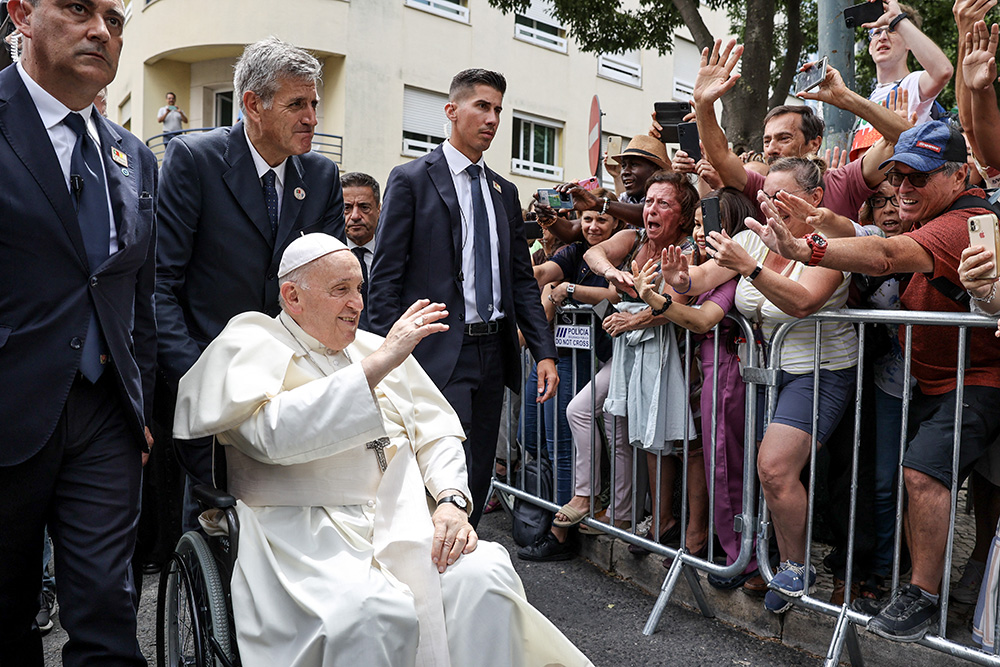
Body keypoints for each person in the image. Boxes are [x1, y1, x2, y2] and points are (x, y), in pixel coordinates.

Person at [173, 233, 592, 667]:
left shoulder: (374, 348)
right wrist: (378, 364)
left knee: (484, 578)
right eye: (340, 290)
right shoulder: (249, 345)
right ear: (292, 297)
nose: (357, 303)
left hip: (404, 516)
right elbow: (271, 436)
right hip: (299, 532)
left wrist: (450, 501)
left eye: (358, 288)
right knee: (370, 616)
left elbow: (437, 430)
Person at [749, 120, 1000, 641]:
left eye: (919, 178)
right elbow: (874, 239)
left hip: (976, 377)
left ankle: (924, 595)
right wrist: (823, 221)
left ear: (958, 177)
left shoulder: (963, 220)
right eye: (898, 176)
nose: (904, 188)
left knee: (922, 474)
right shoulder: (926, 216)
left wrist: (807, 250)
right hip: (930, 381)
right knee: (910, 477)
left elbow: (886, 256)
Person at [0, 0, 158, 664]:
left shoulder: (134, 156)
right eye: (77, 8)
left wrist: (141, 404)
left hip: (104, 421)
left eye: (115, 20)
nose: (101, 29)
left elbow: (136, 297)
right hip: (9, 408)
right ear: (21, 14)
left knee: (106, 616)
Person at [156, 37, 345, 517]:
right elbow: (160, 286)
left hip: (293, 392)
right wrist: (200, 378)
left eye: (315, 104)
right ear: (252, 105)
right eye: (296, 104)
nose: (312, 118)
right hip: (210, 382)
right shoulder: (193, 161)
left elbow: (330, 288)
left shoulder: (321, 177)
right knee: (215, 526)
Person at [661, 157, 859, 613]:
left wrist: (751, 269)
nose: (770, 203)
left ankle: (795, 566)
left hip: (821, 371)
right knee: (766, 472)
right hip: (769, 374)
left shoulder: (830, 241)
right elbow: (704, 278)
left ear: (814, 200)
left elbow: (805, 301)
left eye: (783, 196)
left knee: (773, 467)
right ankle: (774, 559)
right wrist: (680, 279)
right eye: (766, 193)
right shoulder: (751, 235)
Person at [368, 69, 558, 527]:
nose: (492, 118)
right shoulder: (411, 179)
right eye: (482, 107)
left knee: (475, 474)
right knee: (432, 466)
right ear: (452, 111)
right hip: (435, 349)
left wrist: (544, 351)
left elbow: (521, 281)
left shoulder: (504, 192)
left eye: (498, 110)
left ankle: (459, 560)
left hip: (494, 351)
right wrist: (381, 357)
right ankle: (421, 567)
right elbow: (385, 276)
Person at [633, 187, 760, 586]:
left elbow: (704, 320)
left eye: (711, 224)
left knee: (724, 462)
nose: (702, 232)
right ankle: (727, 548)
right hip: (708, 369)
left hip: (724, 369)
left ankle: (739, 556)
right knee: (713, 459)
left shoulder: (729, 273)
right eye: (701, 224)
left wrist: (657, 301)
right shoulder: (704, 264)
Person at [583, 171, 708, 560]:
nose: (651, 209)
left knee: (679, 440)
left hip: (680, 354)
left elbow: (675, 306)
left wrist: (632, 319)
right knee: (644, 432)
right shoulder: (636, 236)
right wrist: (611, 272)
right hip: (634, 354)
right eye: (648, 202)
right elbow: (592, 253)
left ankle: (687, 527)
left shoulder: (688, 250)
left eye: (663, 203)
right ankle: (658, 518)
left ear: (683, 216)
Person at [684, 39, 911, 222]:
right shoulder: (760, 187)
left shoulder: (843, 182)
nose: (771, 149)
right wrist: (704, 104)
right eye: (766, 141)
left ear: (814, 143)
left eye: (784, 138)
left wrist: (845, 98)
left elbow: (901, 140)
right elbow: (721, 156)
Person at [517, 191, 625, 561]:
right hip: (555, 355)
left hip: (591, 361)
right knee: (533, 437)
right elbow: (542, 275)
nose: (593, 227)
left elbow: (614, 294)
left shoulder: (621, 253)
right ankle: (544, 513)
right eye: (588, 219)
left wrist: (570, 290)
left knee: (564, 442)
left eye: (602, 220)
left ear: (618, 224)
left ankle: (561, 533)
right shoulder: (574, 250)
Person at [849, 0, 953, 160]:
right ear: (870, 48)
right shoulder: (869, 100)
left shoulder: (913, 84)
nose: (882, 37)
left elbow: (942, 71)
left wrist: (898, 19)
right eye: (876, 32)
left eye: (892, 30)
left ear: (909, 42)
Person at [341, 171, 380, 330]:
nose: (355, 216)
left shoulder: (396, 255)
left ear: (379, 209)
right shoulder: (325, 258)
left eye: (364, 207)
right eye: (347, 208)